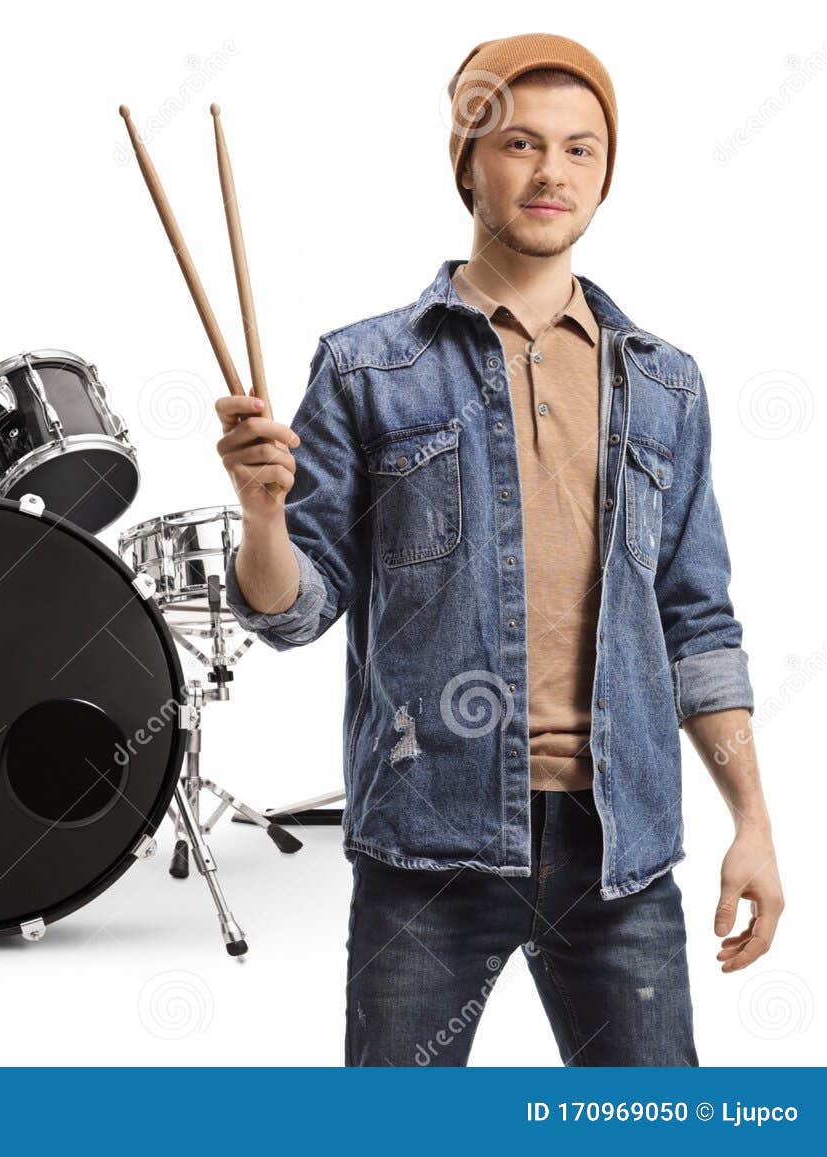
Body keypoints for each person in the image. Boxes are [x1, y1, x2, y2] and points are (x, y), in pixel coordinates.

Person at [217, 32, 782, 1065]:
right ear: (467, 164)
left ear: (604, 174)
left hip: (620, 849)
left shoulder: (664, 383)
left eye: (579, 149)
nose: (550, 171)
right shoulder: (367, 369)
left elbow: (698, 622)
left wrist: (752, 820)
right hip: (426, 843)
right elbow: (293, 611)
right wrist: (262, 514)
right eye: (521, 143)